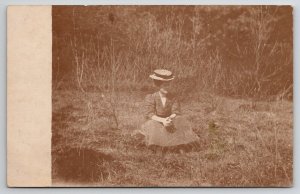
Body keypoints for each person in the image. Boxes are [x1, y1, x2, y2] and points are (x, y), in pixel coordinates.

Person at [135, 69, 199, 155]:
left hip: (169, 120)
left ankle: (180, 146)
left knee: (180, 119)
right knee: (152, 124)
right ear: (158, 86)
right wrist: (163, 121)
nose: (167, 88)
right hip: (156, 120)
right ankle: (157, 146)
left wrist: (170, 118)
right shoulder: (151, 97)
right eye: (164, 85)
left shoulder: (173, 97)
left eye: (169, 85)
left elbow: (176, 111)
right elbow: (149, 113)